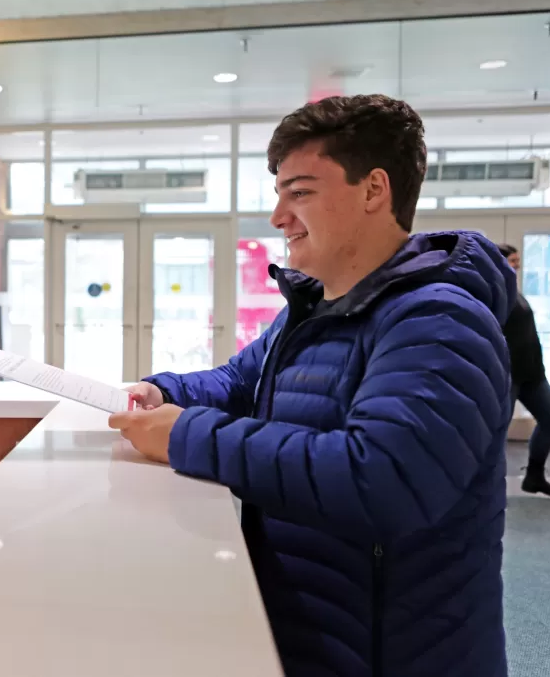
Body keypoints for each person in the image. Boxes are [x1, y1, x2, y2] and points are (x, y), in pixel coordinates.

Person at [112, 95, 516, 677]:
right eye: (279, 194)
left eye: (299, 192)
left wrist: (185, 435)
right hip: (318, 628)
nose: (278, 217)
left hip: (393, 652)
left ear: (375, 189)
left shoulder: (437, 320)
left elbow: (383, 478)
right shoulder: (315, 306)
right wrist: (164, 391)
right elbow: (237, 380)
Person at [496, 243, 550, 497]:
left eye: (518, 261)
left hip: (533, 373)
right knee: (496, 433)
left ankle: (534, 476)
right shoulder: (494, 291)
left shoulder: (515, 290)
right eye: (512, 260)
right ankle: (485, 488)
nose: (517, 265)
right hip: (508, 375)